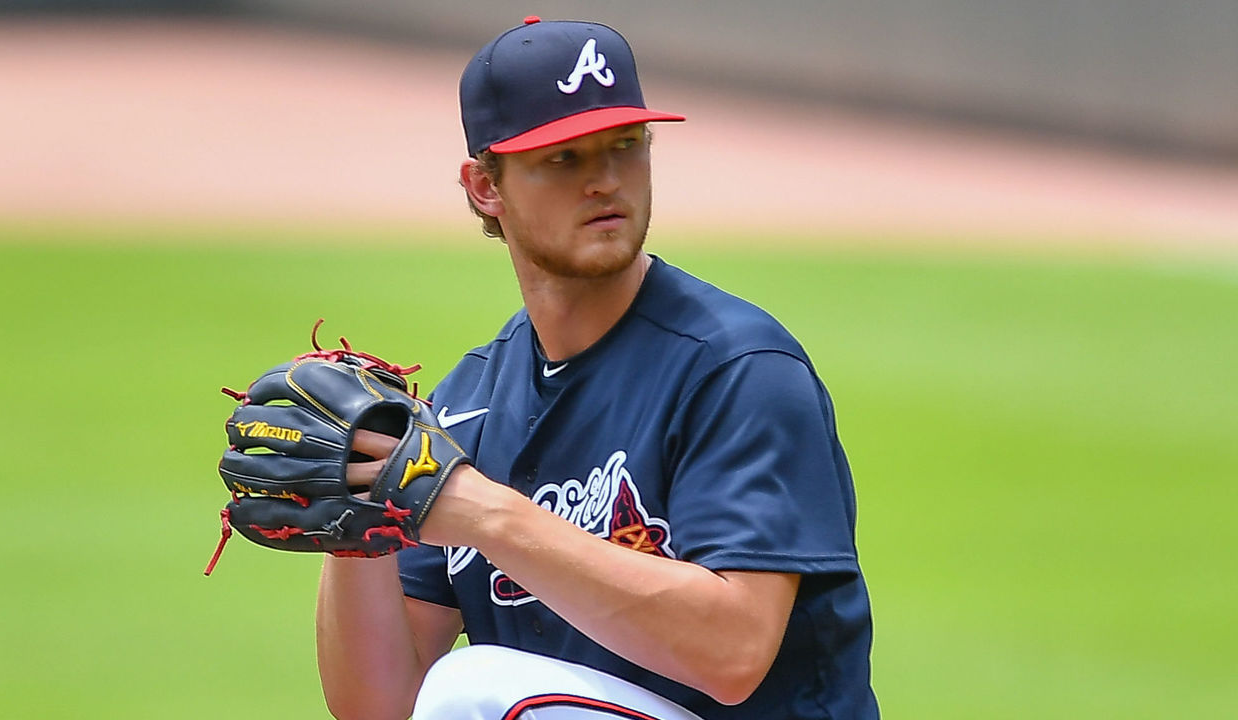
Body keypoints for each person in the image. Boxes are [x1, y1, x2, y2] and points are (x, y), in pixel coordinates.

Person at [316, 16, 879, 720]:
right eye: (564, 158)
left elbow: (734, 654)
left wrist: (488, 517)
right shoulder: (468, 405)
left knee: (474, 692)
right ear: (484, 186)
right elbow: (382, 706)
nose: (605, 181)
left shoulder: (736, 368)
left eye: (624, 147)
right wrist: (353, 530)